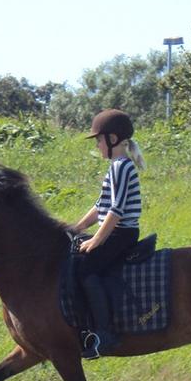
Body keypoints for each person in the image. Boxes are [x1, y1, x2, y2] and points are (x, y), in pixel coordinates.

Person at [71, 109, 145, 359]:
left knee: (86, 269)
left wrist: (96, 240)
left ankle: (104, 334)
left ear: (113, 139)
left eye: (99, 140)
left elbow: (116, 210)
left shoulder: (122, 167)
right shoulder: (115, 166)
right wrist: (76, 229)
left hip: (122, 234)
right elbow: (100, 205)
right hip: (114, 231)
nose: (98, 145)